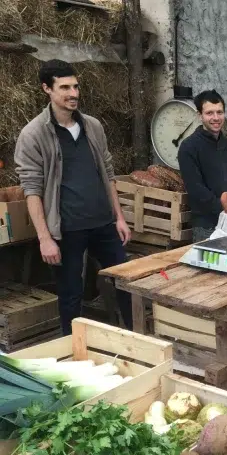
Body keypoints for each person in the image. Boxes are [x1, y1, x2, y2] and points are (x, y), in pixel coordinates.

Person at [14, 59, 133, 335]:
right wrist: (45, 238)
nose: (73, 93)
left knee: (127, 282)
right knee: (70, 293)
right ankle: (72, 347)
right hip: (66, 229)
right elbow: (31, 189)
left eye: (76, 86)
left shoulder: (92, 126)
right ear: (47, 89)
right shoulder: (33, 134)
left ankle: (137, 337)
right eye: (65, 87)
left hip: (103, 223)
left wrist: (119, 217)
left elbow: (108, 173)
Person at [178, 90, 227, 242]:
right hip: (206, 227)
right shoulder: (189, 147)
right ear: (199, 115)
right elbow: (196, 189)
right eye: (209, 113)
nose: (216, 118)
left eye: (219, 112)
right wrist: (225, 210)